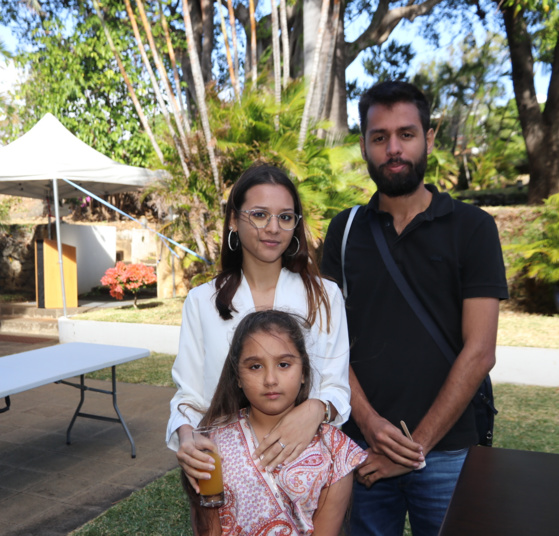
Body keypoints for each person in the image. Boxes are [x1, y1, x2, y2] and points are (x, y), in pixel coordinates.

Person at [321, 81, 509, 536]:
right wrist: (368, 423)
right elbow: (327, 343)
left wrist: (411, 447)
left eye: (406, 134)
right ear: (364, 145)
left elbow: (481, 350)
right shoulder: (344, 232)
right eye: (379, 137)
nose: (393, 148)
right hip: (361, 449)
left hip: (448, 453)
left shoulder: (473, 228)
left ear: (428, 137)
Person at [167, 163, 351, 492]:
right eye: (259, 214)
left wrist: (314, 409)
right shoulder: (201, 301)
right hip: (226, 471)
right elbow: (190, 395)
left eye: (285, 217)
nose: (273, 228)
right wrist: (186, 436)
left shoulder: (325, 296)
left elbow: (336, 386)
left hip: (308, 471)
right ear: (234, 222)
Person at [182, 310, 367, 535]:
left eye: (283, 364)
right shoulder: (211, 443)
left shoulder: (336, 451)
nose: (270, 380)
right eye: (255, 367)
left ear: (303, 373)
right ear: (238, 378)